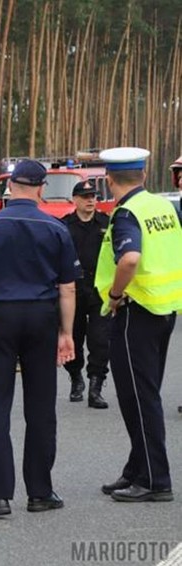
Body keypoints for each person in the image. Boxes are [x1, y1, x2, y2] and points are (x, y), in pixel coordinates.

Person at [0, 159, 79, 518]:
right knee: (41, 407)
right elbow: (67, 288)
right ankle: (41, 492)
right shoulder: (56, 228)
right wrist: (66, 333)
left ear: (10, 186)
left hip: (1, 318)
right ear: (41, 188)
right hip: (42, 318)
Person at [95, 147, 182, 503]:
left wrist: (115, 294)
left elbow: (130, 258)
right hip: (164, 309)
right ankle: (136, 468)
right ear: (144, 176)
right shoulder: (164, 206)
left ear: (109, 180)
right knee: (144, 393)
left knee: (138, 398)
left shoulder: (127, 212)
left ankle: (154, 480)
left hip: (136, 312)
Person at [60, 181, 110, 409]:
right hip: (73, 290)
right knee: (75, 338)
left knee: (100, 340)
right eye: (85, 196)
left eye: (93, 196)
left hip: (100, 289)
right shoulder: (64, 226)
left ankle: (95, 387)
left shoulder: (106, 223)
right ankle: (76, 378)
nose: (90, 200)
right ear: (75, 200)